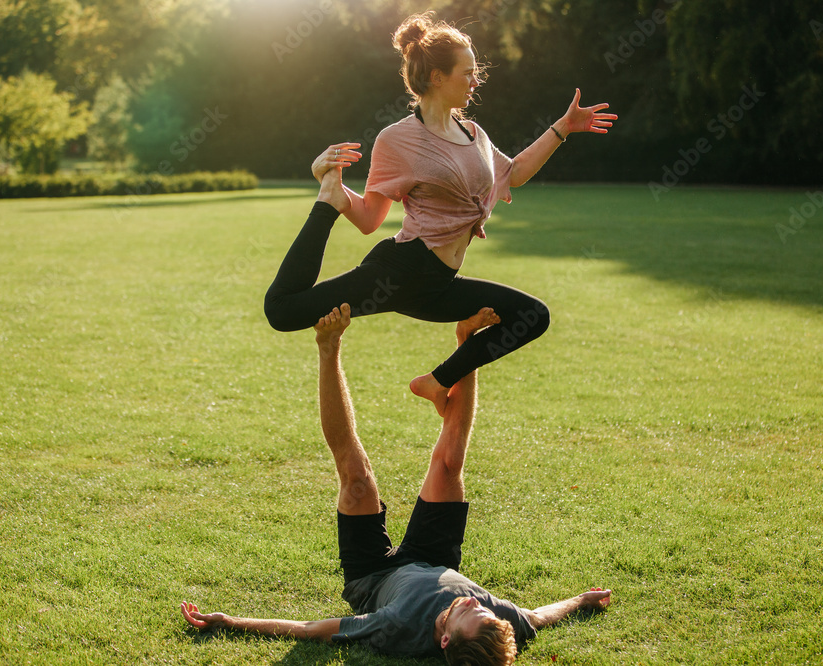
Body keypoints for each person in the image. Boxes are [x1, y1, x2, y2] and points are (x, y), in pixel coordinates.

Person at [182, 304, 612, 664]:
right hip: (433, 558)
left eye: (469, 614)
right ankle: (466, 347)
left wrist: (230, 622)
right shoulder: (499, 622)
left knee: (357, 478)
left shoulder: (398, 626)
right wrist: (582, 601)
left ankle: (328, 347)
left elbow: (310, 629)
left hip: (373, 575)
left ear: (445, 639)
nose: (475, 603)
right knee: (449, 465)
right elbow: (538, 616)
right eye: (481, 608)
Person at [264, 11, 617, 416]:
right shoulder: (398, 139)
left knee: (532, 316)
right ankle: (325, 199)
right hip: (400, 272)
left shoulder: (474, 134)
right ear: (436, 77)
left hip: (440, 284)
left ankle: (435, 382)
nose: (475, 81)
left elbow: (514, 173)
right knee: (283, 311)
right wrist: (336, 191)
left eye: (475, 72)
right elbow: (369, 219)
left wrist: (562, 128)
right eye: (467, 73)